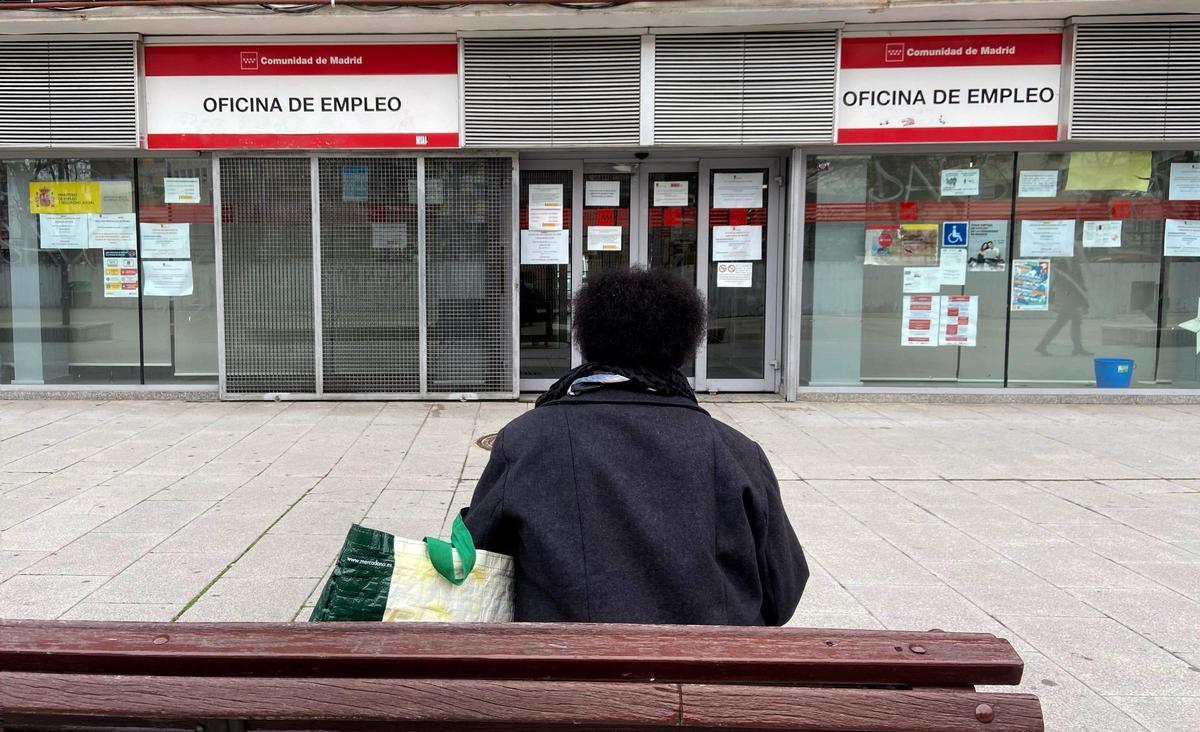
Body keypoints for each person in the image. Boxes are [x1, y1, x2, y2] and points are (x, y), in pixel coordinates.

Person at [464, 267, 808, 626]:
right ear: (686, 345)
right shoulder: (736, 451)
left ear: (587, 338)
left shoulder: (527, 439)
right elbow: (783, 594)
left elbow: (476, 564)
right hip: (710, 671)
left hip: (571, 673)